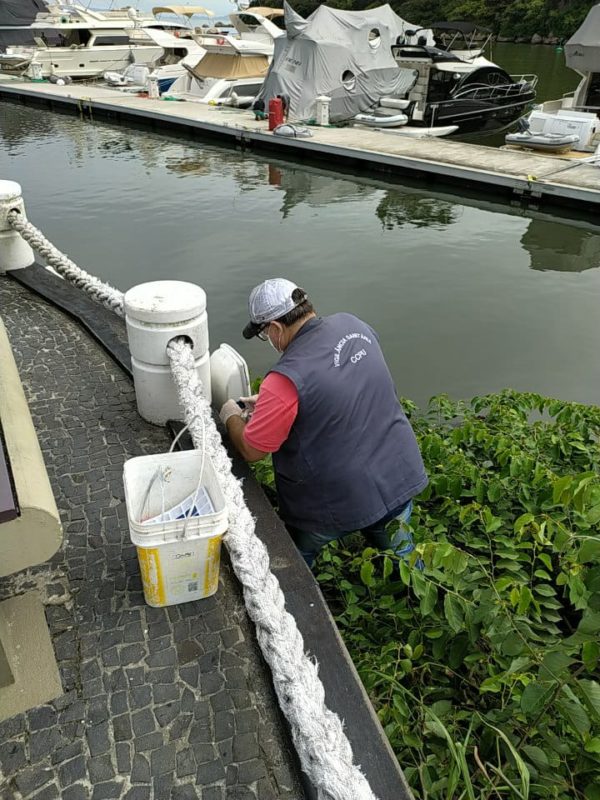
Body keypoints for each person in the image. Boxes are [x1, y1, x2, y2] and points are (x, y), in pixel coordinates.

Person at [219, 278, 428, 568]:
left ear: (276, 328)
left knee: (295, 560)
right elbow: (346, 378)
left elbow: (253, 451)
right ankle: (416, 594)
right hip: (397, 476)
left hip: (333, 503)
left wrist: (230, 413)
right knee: (405, 562)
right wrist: (275, 404)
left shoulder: (283, 379)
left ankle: (296, 595)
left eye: (265, 333)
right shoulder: (354, 325)